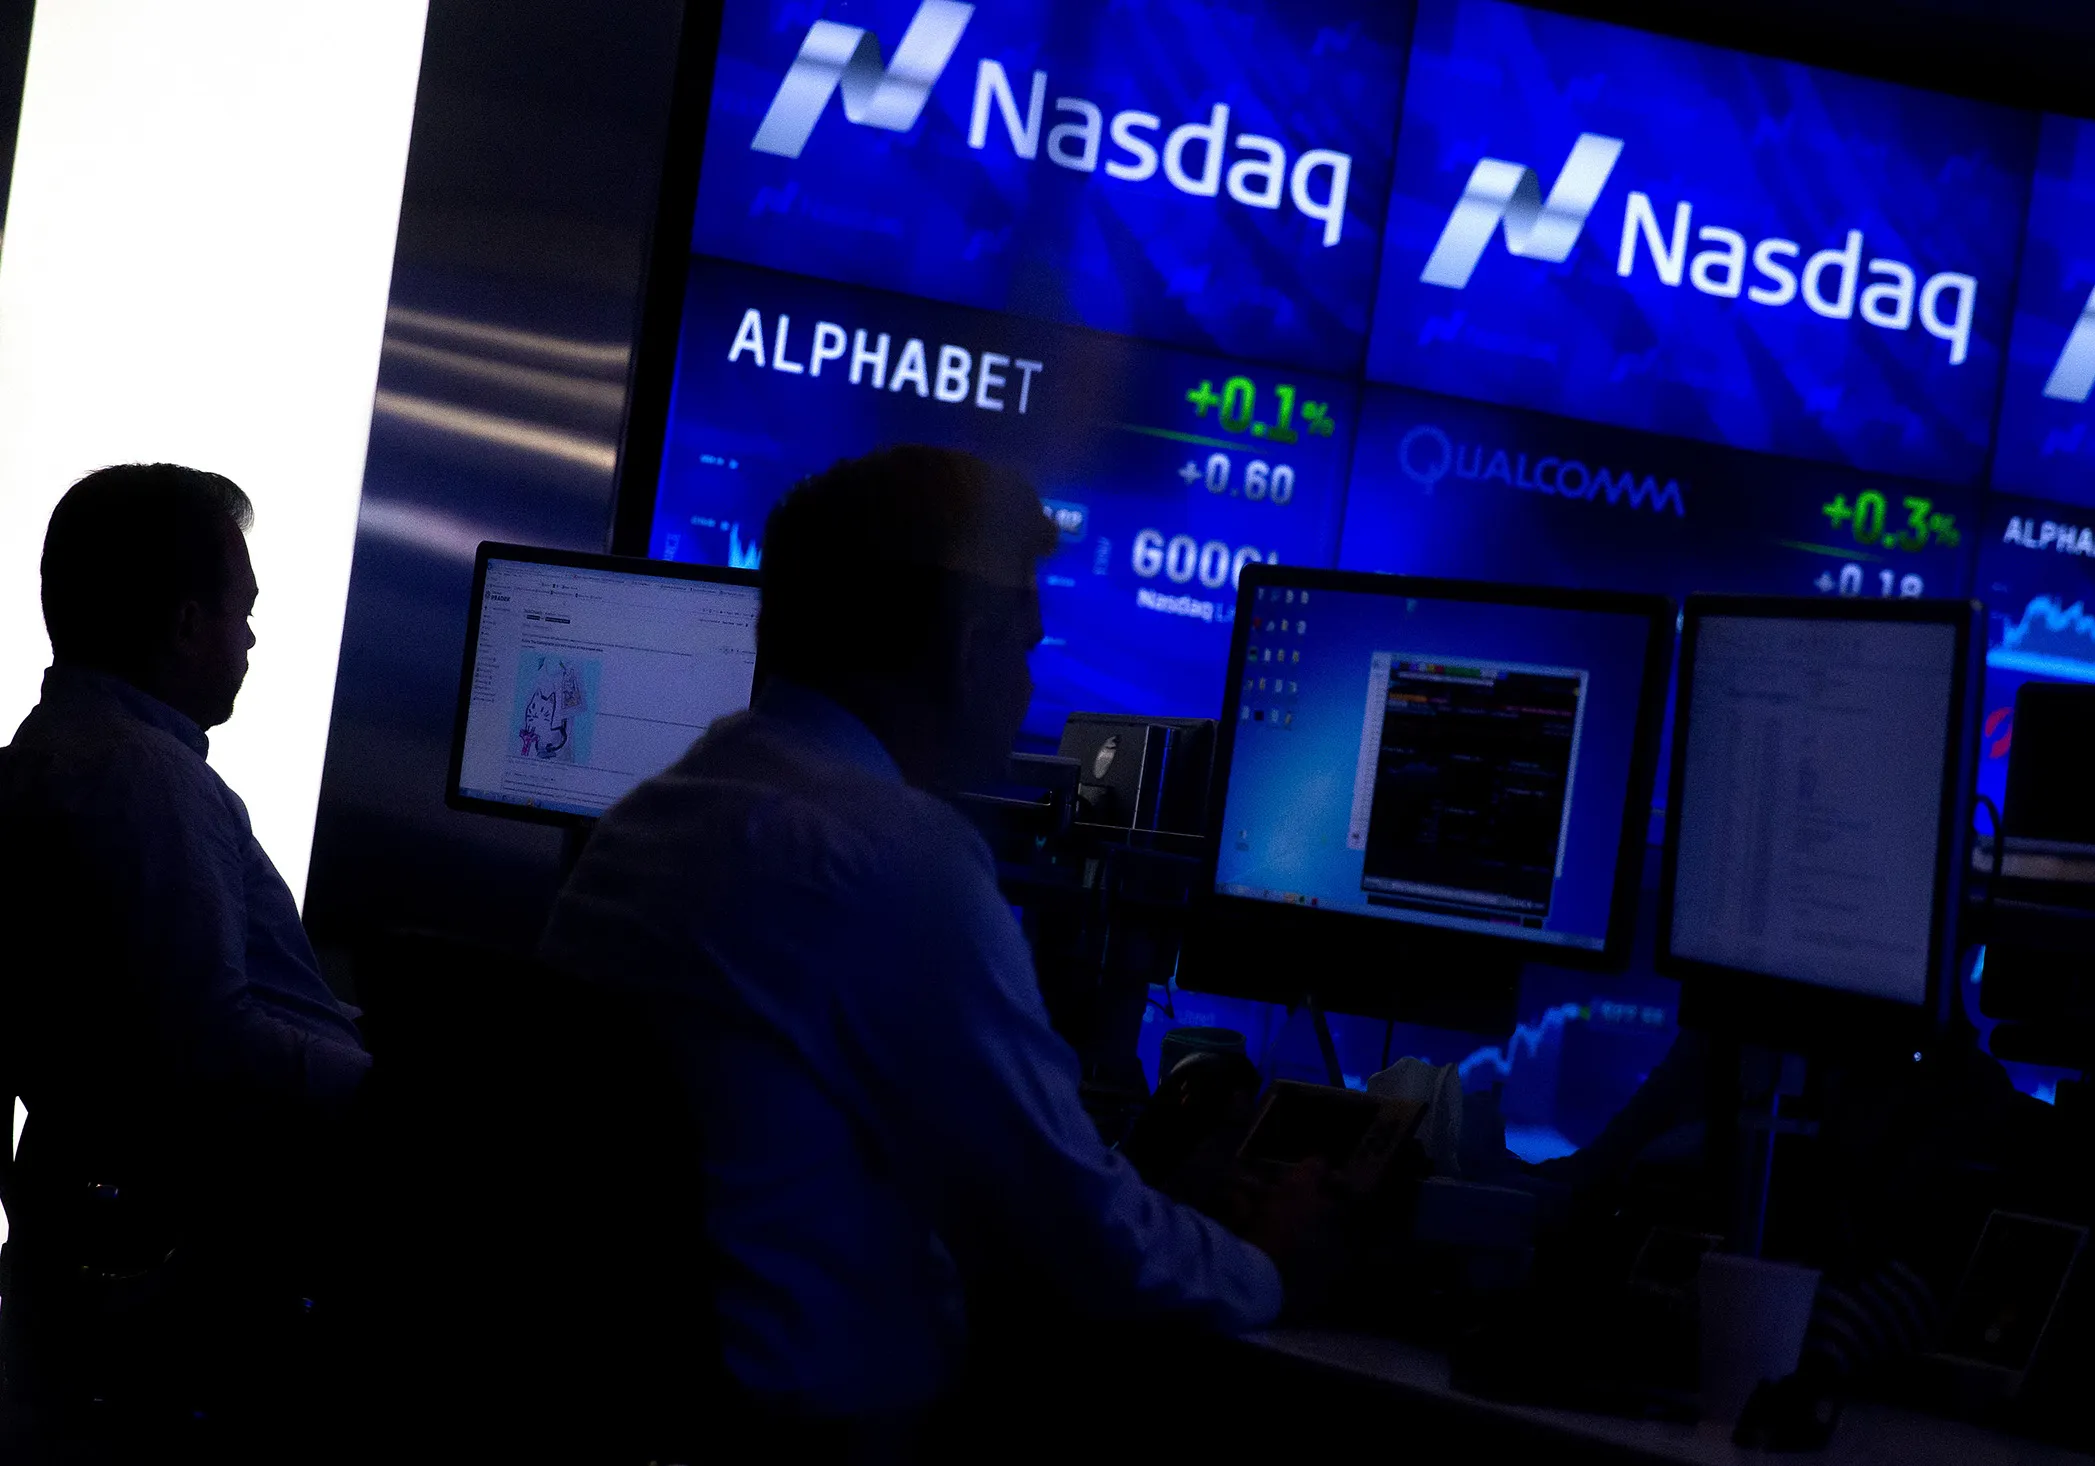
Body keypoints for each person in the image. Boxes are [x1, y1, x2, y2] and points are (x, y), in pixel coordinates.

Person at [540, 446, 1287, 1441]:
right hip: (815, 1447)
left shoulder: (656, 814)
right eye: (1023, 650)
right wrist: (1273, 1259)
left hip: (641, 1410)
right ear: (970, 650)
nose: (1026, 687)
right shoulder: (890, 853)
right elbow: (1082, 1238)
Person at [0, 464, 370, 1436]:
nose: (250, 639)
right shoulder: (149, 781)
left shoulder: (49, 753)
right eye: (242, 613)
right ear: (186, 624)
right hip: (202, 1256)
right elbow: (214, 1039)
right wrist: (387, 1089)